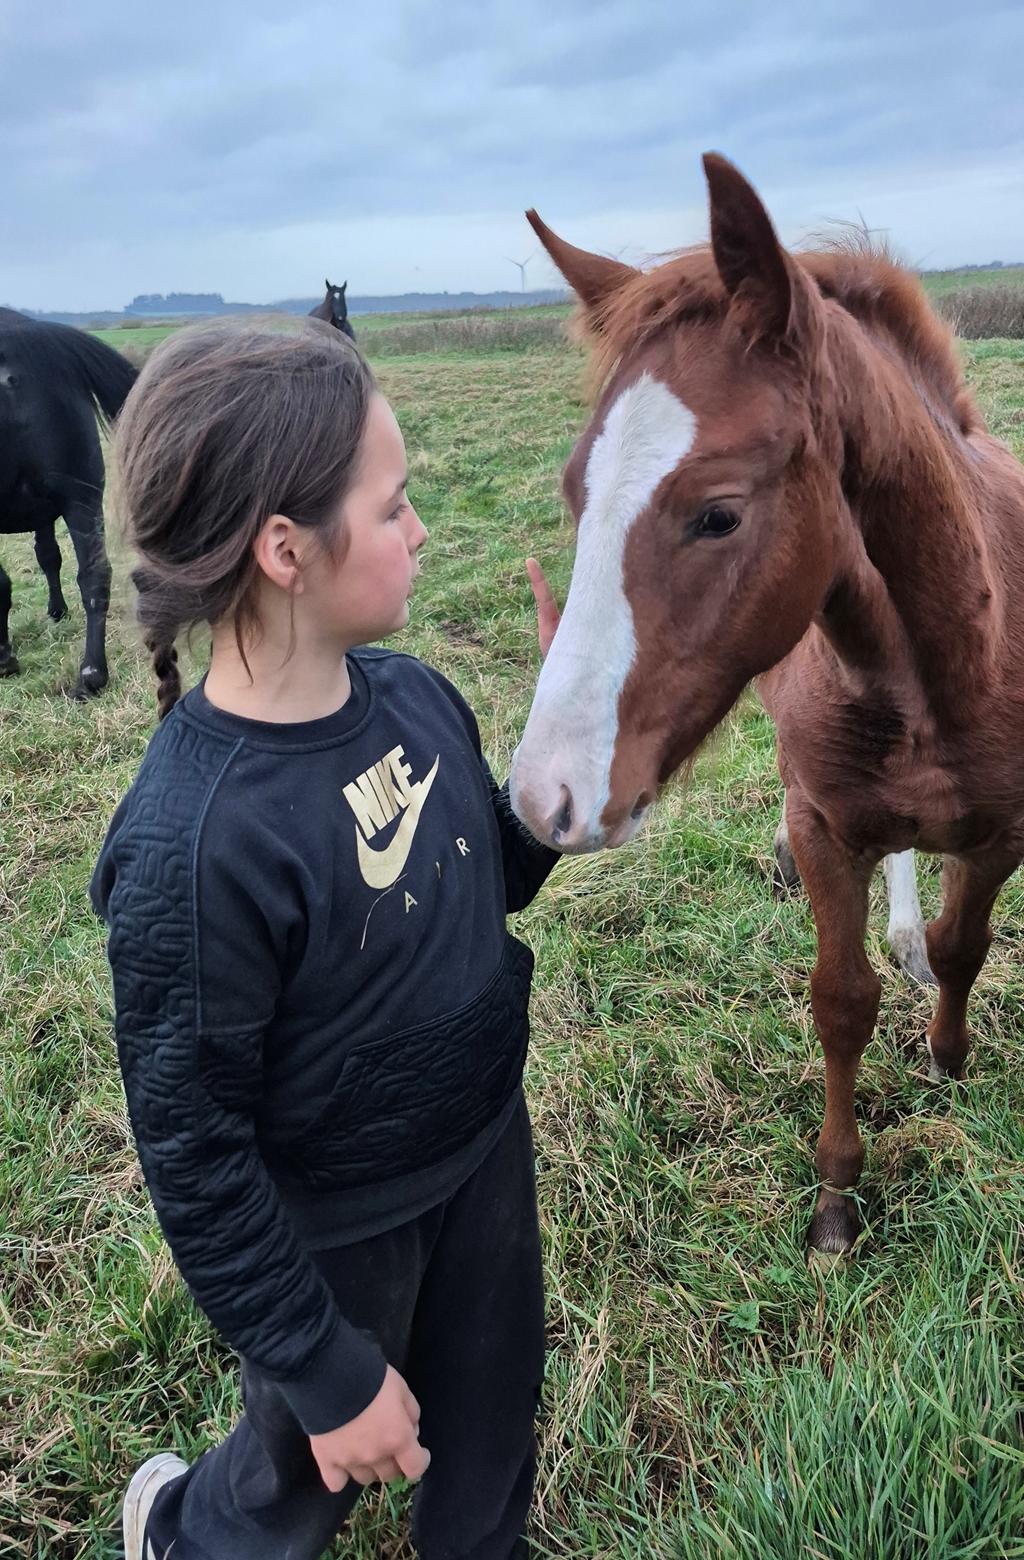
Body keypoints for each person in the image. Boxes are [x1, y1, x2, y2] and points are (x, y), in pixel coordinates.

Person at [89, 321, 562, 1560]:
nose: (421, 533)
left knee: (492, 1425)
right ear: (286, 549)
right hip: (336, 1235)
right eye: (395, 507)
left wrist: (558, 790)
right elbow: (194, 1154)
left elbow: (485, 879)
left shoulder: (415, 697)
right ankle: (185, 1527)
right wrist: (321, 1363)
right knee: (307, 1484)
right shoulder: (194, 848)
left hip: (484, 1158)